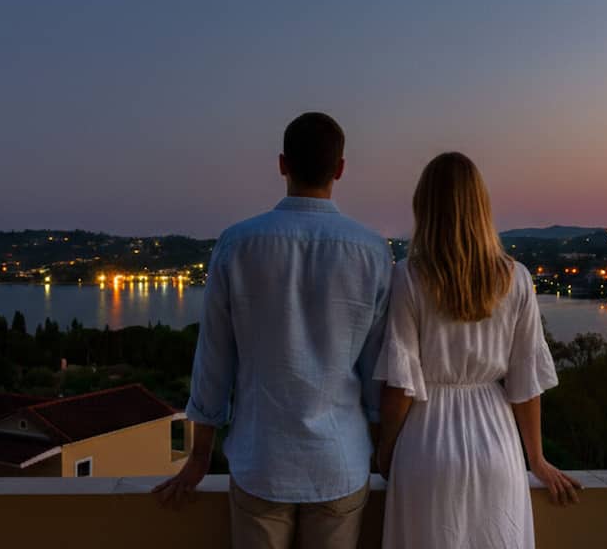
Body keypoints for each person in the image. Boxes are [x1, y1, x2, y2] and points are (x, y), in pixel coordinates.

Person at [153, 112, 392, 548]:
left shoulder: (237, 244)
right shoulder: (372, 251)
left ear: (282, 164)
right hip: (340, 463)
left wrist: (199, 457)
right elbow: (378, 369)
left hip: (261, 460)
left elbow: (213, 359)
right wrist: (382, 451)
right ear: (340, 169)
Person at [375, 152, 581, 549]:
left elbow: (401, 381)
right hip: (497, 443)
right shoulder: (516, 277)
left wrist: (386, 452)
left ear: (424, 206)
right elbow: (526, 382)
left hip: (425, 443)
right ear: (482, 207)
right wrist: (535, 458)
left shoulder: (407, 276)